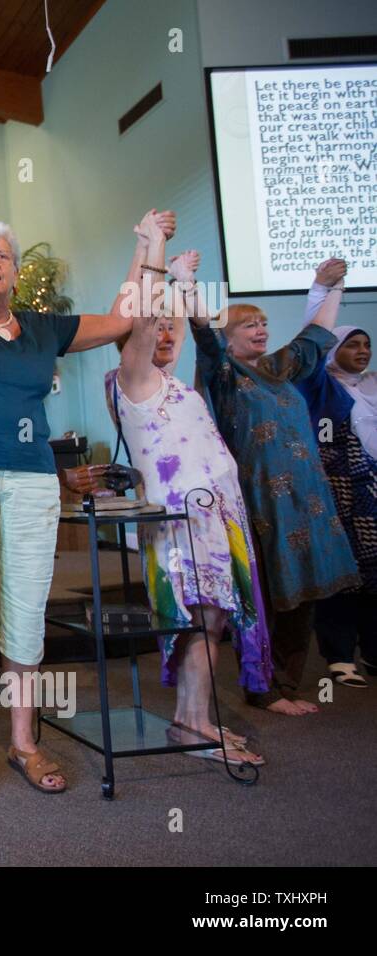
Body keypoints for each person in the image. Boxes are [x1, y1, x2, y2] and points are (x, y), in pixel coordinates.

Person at [0, 201, 177, 797]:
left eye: (0, 256)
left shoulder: (41, 327)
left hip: (32, 478)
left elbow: (119, 321)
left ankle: (24, 742)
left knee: (27, 611)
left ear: (14, 271)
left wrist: (144, 250)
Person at [100, 236, 266, 765]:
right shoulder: (132, 378)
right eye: (157, 325)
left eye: (174, 326)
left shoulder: (176, 384)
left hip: (214, 523)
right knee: (198, 617)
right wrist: (153, 248)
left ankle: (192, 718)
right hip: (178, 527)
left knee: (211, 619)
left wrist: (182, 281)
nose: (165, 332)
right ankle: (194, 725)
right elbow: (142, 324)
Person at [191, 265, 361, 715]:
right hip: (260, 503)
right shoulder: (223, 375)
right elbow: (203, 337)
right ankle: (262, 688)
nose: (261, 329)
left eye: (264, 322)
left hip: (305, 501)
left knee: (301, 592)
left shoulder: (278, 368)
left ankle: (287, 684)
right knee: (263, 598)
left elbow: (317, 335)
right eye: (249, 324)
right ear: (229, 338)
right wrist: (189, 284)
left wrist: (333, 287)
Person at [292, 263, 377, 688]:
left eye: (367, 344)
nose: (363, 351)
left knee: (375, 573)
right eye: (353, 344)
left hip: (371, 492)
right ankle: (339, 655)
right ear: (333, 349)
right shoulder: (319, 385)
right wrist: (324, 290)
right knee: (340, 576)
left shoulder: (371, 388)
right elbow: (312, 335)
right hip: (332, 492)